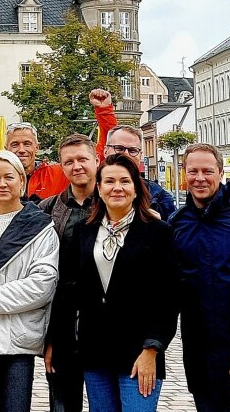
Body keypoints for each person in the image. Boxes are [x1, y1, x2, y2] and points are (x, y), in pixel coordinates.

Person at [76, 153, 178, 412]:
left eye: (125, 181)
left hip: (139, 350)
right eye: (109, 181)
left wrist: (152, 348)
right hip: (96, 349)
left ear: (136, 188)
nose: (117, 187)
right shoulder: (84, 232)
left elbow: (167, 298)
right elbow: (73, 290)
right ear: (99, 188)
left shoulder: (158, 232)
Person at [171, 144, 230, 412]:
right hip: (199, 348)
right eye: (193, 171)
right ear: (184, 174)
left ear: (221, 172)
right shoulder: (177, 222)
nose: (199, 178)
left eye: (207, 171)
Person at [0, 150, 60, 412]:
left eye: (9, 177)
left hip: (14, 342)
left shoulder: (40, 228)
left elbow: (43, 284)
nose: (2, 183)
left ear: (21, 181)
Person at [41, 134, 101, 412]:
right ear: (62, 167)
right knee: (62, 402)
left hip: (102, 319)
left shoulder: (114, 202)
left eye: (82, 159)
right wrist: (50, 336)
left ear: (96, 161)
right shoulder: (48, 209)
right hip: (62, 320)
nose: (77, 166)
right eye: (69, 161)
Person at [11, 88, 117, 201]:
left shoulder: (59, 173)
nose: (21, 149)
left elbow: (108, 146)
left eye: (27, 144)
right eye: (14, 144)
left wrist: (104, 111)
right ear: (5, 148)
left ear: (37, 147)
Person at [102, 124, 176, 220]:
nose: (126, 154)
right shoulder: (87, 194)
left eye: (132, 150)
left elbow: (175, 232)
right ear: (105, 151)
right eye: (119, 148)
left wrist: (159, 227)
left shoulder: (160, 198)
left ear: (140, 155)